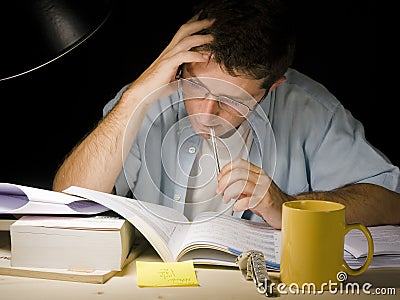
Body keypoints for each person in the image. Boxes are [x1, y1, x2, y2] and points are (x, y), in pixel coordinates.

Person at [53, 0, 400, 229]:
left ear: (273, 87)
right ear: (183, 64)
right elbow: (67, 197)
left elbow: (390, 204)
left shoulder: (310, 109)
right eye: (196, 86)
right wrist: (135, 97)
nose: (206, 113)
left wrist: (288, 206)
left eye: (232, 101)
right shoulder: (149, 93)